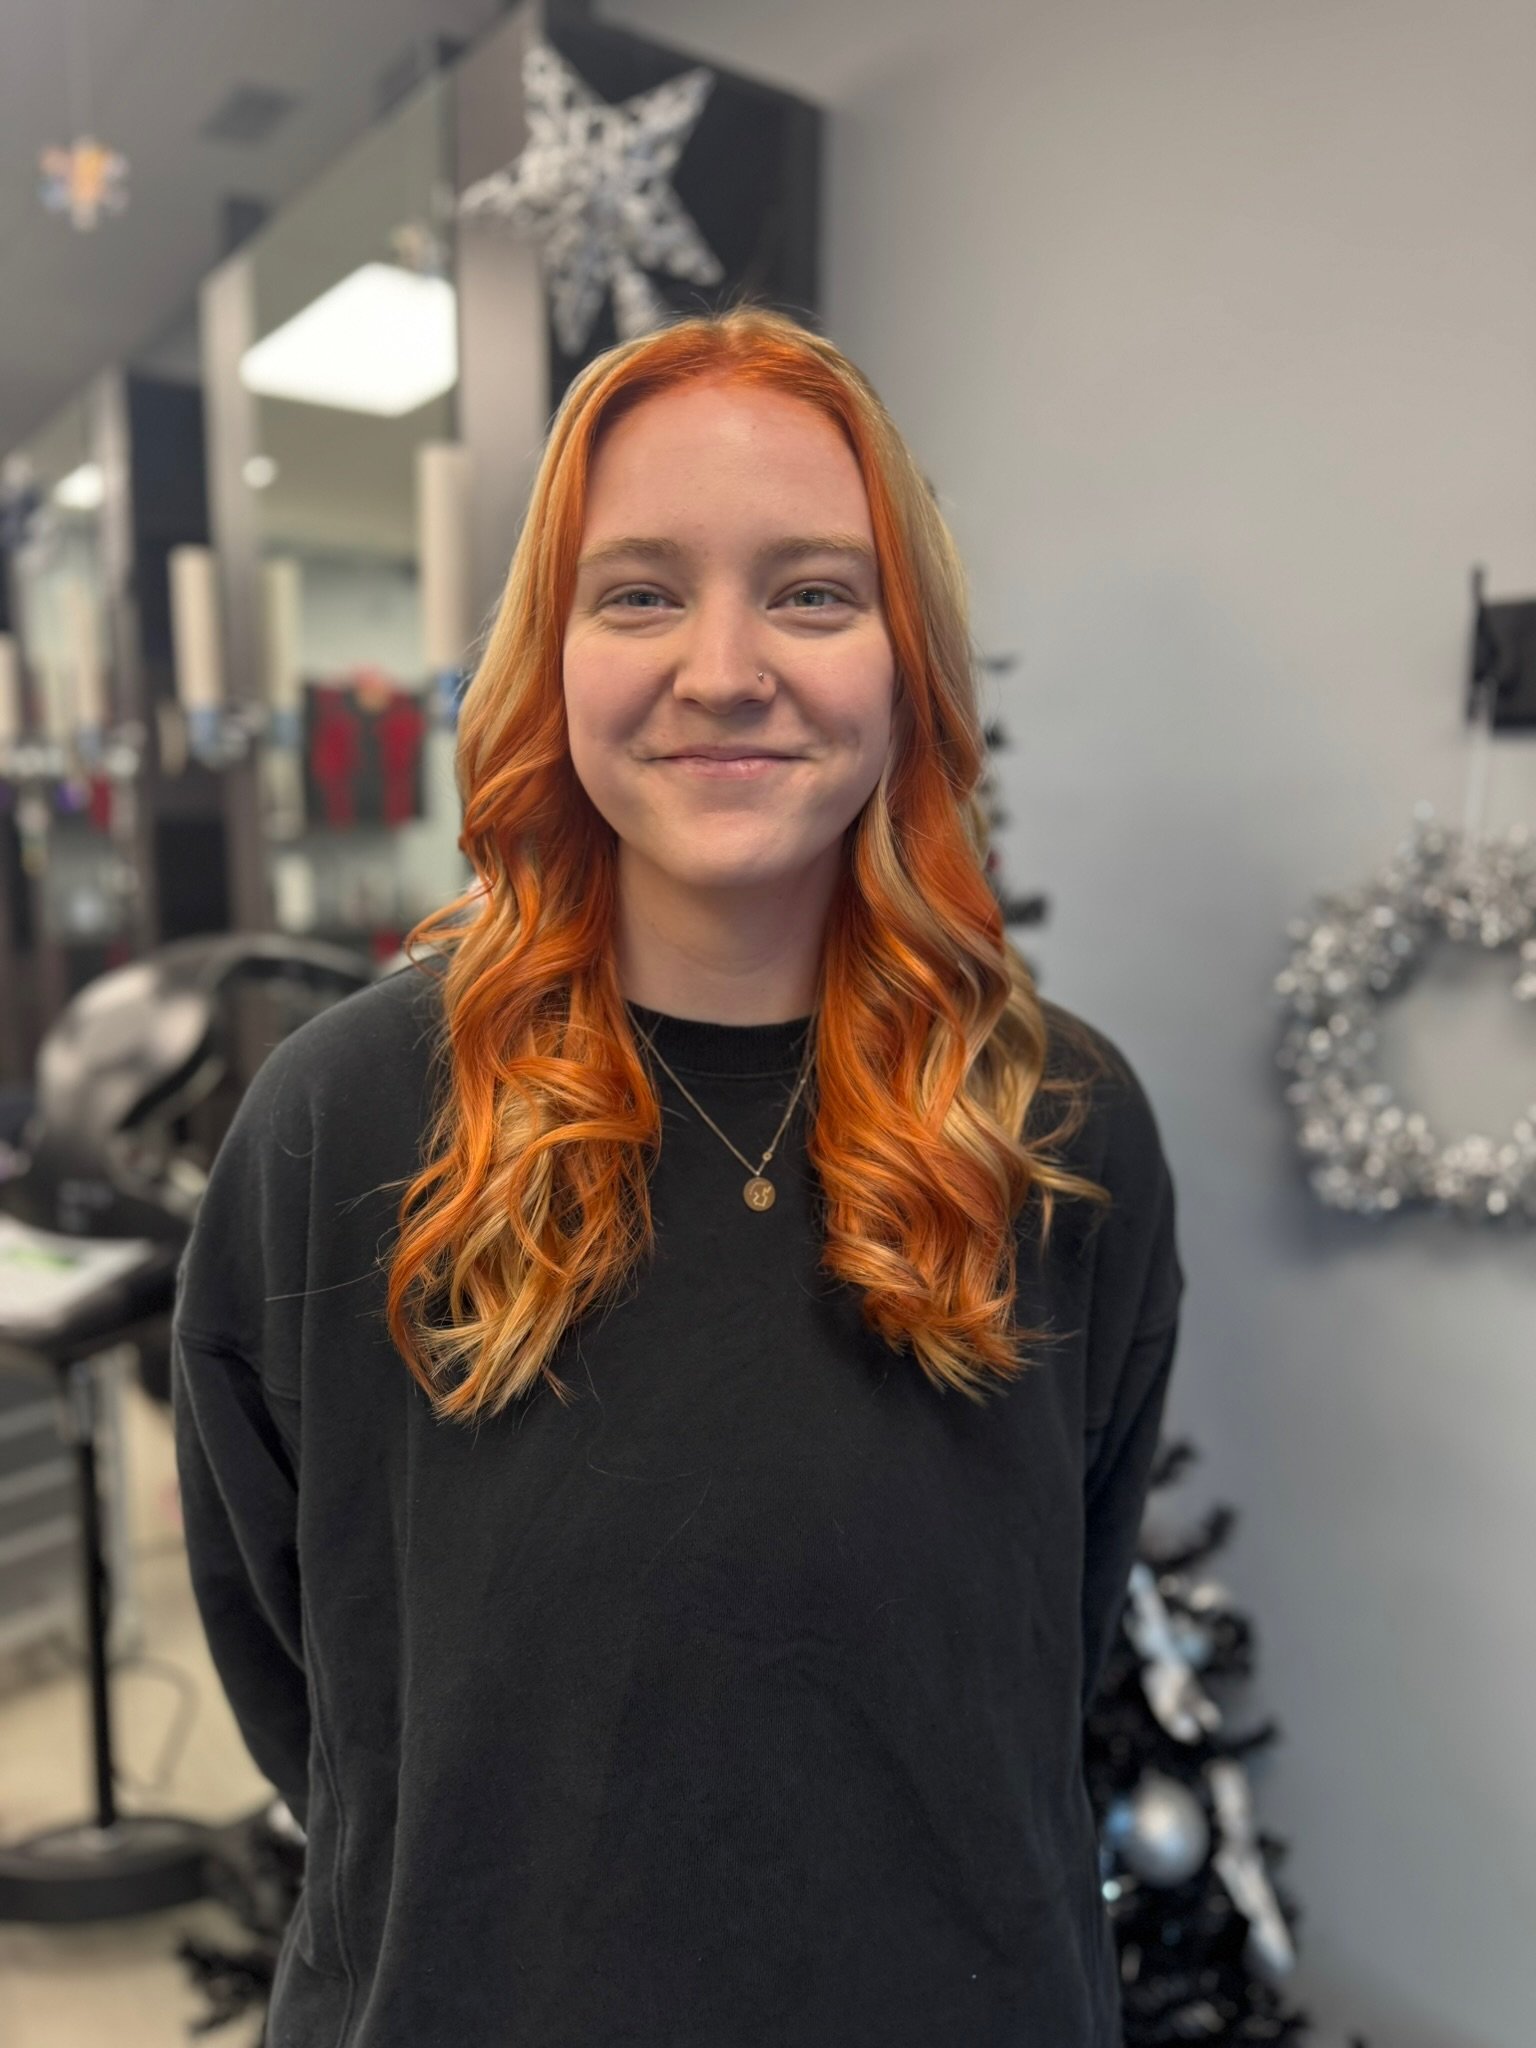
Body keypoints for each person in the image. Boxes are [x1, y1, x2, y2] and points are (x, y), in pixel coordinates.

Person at [172, 303, 1185, 2048]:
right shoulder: (341, 1122)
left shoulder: (1058, 1124)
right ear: (548, 656)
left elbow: (1047, 1641)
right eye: (640, 592)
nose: (726, 666)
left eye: (811, 591)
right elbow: (310, 1678)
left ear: (906, 660)